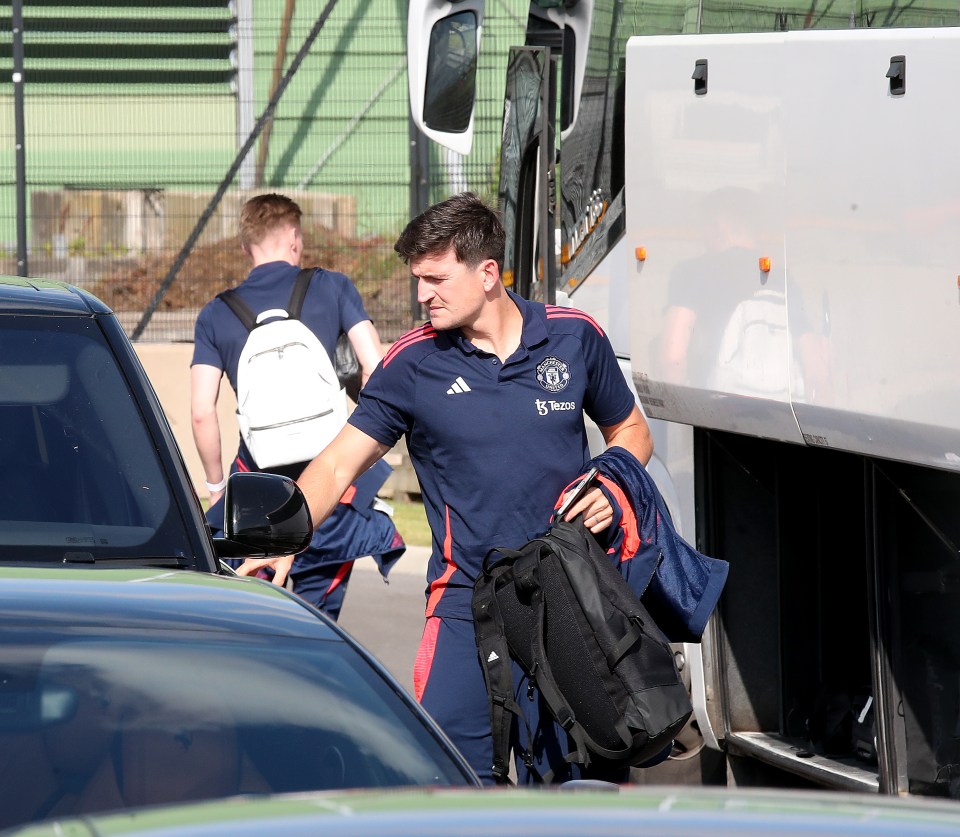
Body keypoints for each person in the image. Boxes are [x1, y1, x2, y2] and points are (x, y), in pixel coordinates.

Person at [238, 192, 653, 783]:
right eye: (417, 279)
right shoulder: (412, 363)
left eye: (436, 278)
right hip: (467, 606)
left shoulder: (575, 337)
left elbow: (633, 433)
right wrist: (283, 538)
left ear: (488, 274)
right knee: (445, 789)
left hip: (571, 600)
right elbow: (335, 466)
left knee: (582, 796)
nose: (422, 295)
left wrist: (612, 486)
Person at [190, 192, 405, 620]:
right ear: (293, 237)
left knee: (253, 620)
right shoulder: (332, 287)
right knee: (318, 625)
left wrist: (218, 488)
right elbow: (376, 368)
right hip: (334, 491)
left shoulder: (216, 314)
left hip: (257, 492)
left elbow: (201, 411)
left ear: (245, 245)